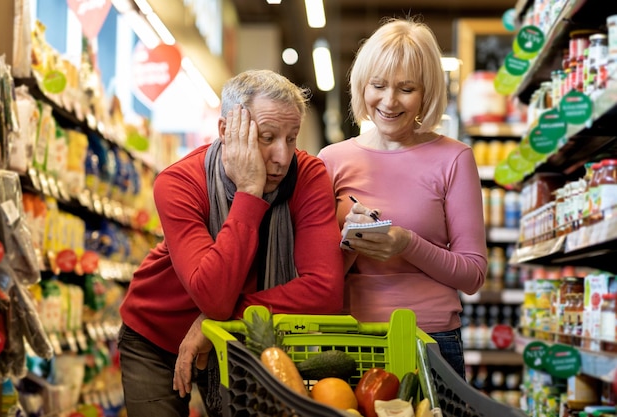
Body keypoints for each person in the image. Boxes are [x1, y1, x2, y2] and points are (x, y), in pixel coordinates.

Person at [118, 69, 344, 417]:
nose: (282, 157)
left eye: (292, 138)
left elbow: (325, 292)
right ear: (226, 131)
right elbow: (213, 296)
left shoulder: (309, 175)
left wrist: (214, 324)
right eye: (267, 137)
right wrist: (250, 192)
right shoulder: (178, 182)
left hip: (242, 340)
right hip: (157, 335)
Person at [317, 17, 487, 380]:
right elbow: (313, 274)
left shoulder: (454, 158)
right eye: (378, 86)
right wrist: (351, 243)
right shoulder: (331, 160)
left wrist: (405, 243)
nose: (389, 101)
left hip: (430, 337)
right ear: (362, 85)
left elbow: (473, 274)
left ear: (427, 92)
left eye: (406, 88)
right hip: (348, 336)